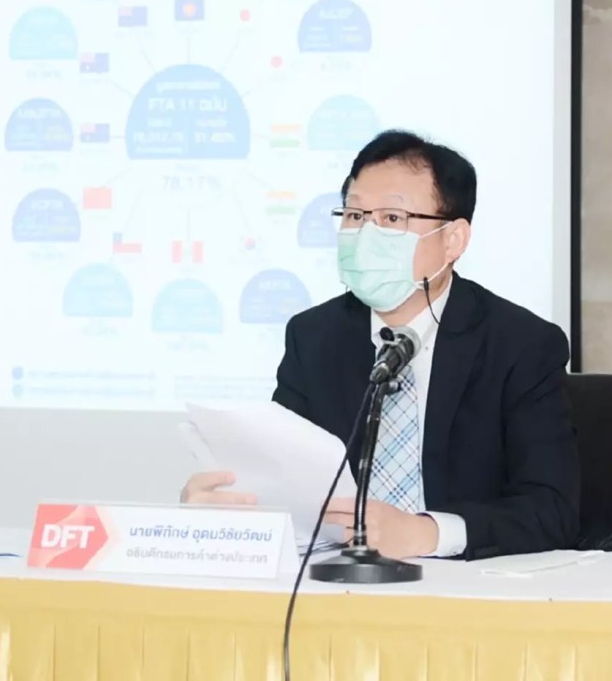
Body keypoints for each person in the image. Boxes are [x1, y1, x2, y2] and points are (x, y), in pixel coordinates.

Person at [182, 130, 579, 560]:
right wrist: (232, 511)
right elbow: (286, 479)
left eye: (392, 218)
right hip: (337, 580)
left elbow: (552, 509)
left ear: (453, 239)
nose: (365, 234)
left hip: (467, 585)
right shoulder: (313, 337)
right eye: (355, 215)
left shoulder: (521, 345)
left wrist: (427, 533)